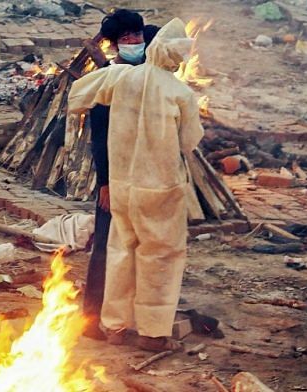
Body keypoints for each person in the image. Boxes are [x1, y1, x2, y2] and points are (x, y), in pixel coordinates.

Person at [69, 18, 204, 352]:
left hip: (123, 185)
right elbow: (190, 142)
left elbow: (78, 96)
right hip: (159, 188)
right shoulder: (180, 92)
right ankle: (152, 333)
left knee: (120, 252)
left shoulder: (120, 77)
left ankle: (114, 326)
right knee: (160, 258)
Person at [82, 9, 159, 340]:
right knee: (105, 245)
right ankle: (91, 319)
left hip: (146, 175)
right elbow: (99, 137)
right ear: (114, 45)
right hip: (115, 174)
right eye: (125, 38)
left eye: (136, 35)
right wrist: (105, 183)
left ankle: (128, 315)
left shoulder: (150, 70)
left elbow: (165, 35)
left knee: (140, 246)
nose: (133, 41)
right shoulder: (108, 79)